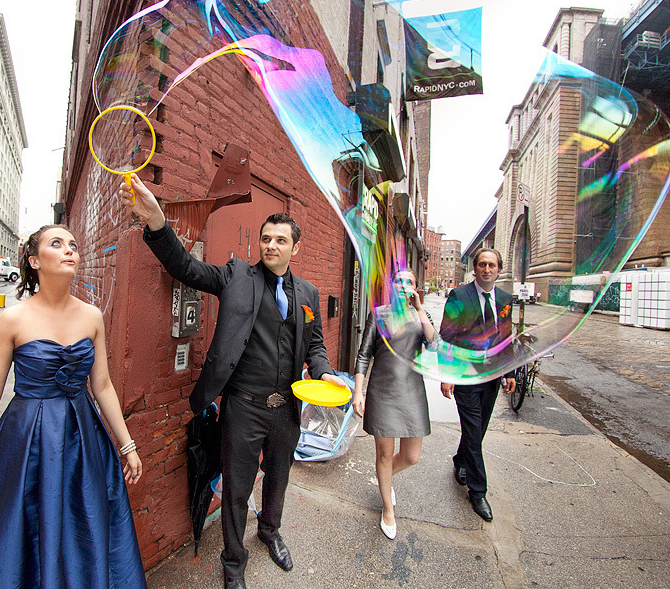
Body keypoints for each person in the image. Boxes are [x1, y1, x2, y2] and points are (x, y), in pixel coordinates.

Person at [119, 174, 344, 589]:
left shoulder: (309, 294)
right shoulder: (236, 276)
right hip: (243, 405)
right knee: (237, 488)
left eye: (280, 240)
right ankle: (234, 561)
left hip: (287, 406)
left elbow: (314, 346)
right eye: (266, 239)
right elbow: (186, 267)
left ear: (295, 248)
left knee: (278, 477)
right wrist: (156, 221)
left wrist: (325, 371)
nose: (271, 245)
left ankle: (270, 530)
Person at [0, 224, 147, 589]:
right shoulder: (13, 319)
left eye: (73, 245)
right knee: (17, 529)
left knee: (83, 525)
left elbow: (102, 385)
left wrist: (127, 445)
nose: (69, 250)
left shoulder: (92, 316)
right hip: (26, 442)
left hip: (83, 440)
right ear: (34, 261)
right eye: (57, 244)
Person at [352, 269, 436, 540]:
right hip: (383, 392)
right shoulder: (379, 314)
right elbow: (364, 355)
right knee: (384, 455)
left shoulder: (421, 315)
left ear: (415, 287)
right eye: (398, 281)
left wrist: (419, 308)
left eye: (409, 281)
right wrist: (358, 391)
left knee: (411, 456)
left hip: (412, 391)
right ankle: (387, 508)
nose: (403, 285)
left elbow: (434, 344)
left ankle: (384, 478)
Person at [439, 248, 516, 522]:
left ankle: (461, 461)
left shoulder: (505, 299)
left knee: (479, 428)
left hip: (491, 376)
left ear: (499, 270)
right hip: (466, 376)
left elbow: (506, 336)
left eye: (492, 265)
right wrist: (447, 374)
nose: (487, 269)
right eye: (482, 264)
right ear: (475, 268)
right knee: (473, 430)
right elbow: (446, 336)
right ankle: (478, 491)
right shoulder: (459, 296)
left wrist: (510, 372)